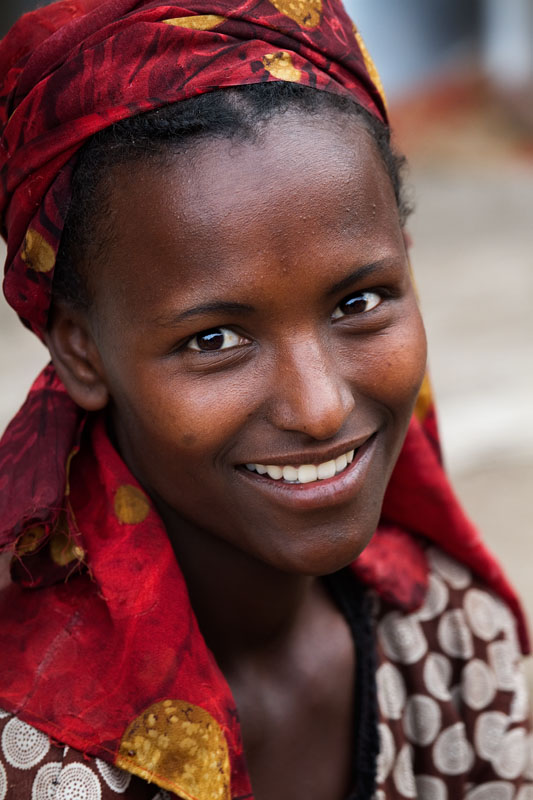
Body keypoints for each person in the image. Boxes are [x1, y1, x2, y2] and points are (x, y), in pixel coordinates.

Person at [0, 1, 531, 798]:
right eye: (214, 339)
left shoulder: (451, 645)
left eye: (358, 302)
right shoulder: (29, 745)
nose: (317, 408)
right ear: (80, 349)